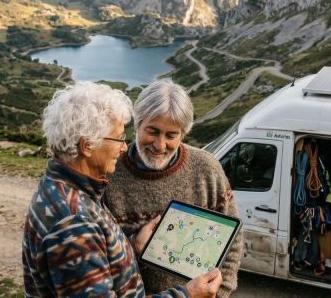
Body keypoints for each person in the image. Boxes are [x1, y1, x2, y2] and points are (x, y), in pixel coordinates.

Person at [22, 81, 223, 297]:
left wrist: (134, 245)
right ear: (87, 145)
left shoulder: (66, 190)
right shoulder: (73, 224)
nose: (124, 147)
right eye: (118, 138)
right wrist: (188, 294)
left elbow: (96, 258)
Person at [104, 79, 242, 297]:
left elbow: (232, 241)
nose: (160, 145)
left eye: (171, 135)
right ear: (137, 124)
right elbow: (98, 257)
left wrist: (220, 293)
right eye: (152, 131)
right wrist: (132, 246)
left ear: (183, 133)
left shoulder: (207, 169)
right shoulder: (109, 174)